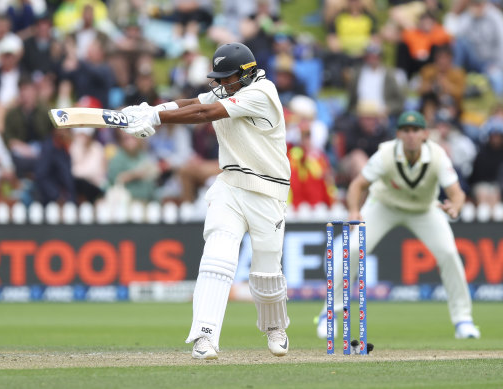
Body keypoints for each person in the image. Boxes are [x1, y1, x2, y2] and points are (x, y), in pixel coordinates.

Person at [122, 43, 291, 359]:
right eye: (219, 79)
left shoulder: (262, 92)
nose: (221, 85)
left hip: (268, 191)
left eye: (227, 78)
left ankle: (275, 327)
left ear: (246, 74)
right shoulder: (228, 90)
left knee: (266, 272)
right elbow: (193, 101)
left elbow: (204, 112)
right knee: (217, 258)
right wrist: (154, 109)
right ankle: (205, 336)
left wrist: (158, 120)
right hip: (229, 186)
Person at [316, 110, 481, 340]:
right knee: (352, 249)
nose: (411, 135)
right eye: (406, 130)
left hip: (424, 210)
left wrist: (455, 207)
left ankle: (463, 320)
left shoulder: (437, 155)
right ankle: (329, 315)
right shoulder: (385, 154)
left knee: (449, 253)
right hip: (384, 205)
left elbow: (457, 193)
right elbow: (357, 186)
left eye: (415, 130)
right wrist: (354, 211)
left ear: (425, 133)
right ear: (399, 134)